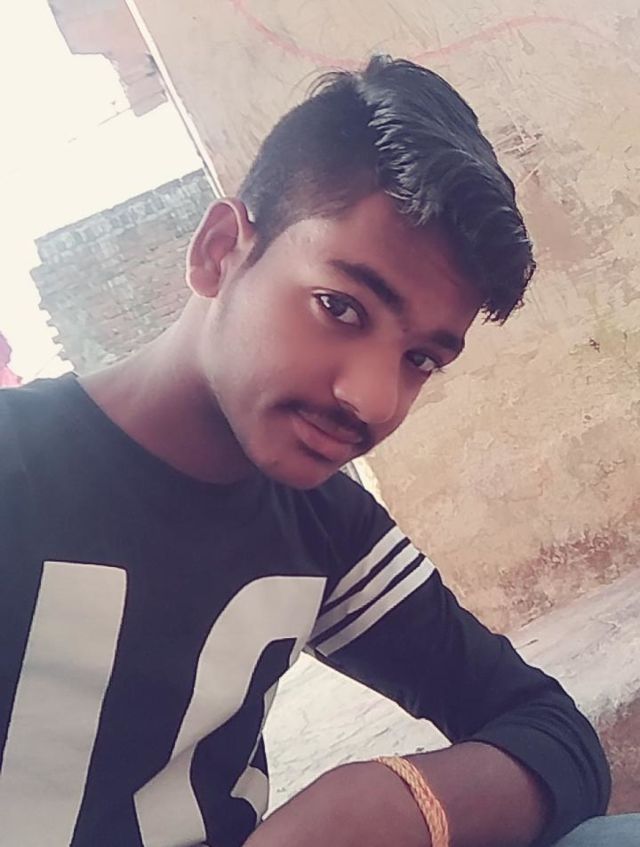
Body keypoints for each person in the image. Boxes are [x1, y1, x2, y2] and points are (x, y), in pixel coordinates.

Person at [0, 55, 636, 847]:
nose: (374, 399)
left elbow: (550, 729)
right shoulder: (19, 468)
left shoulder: (321, 523)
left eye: (421, 358)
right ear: (220, 252)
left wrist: (391, 803)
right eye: (341, 307)